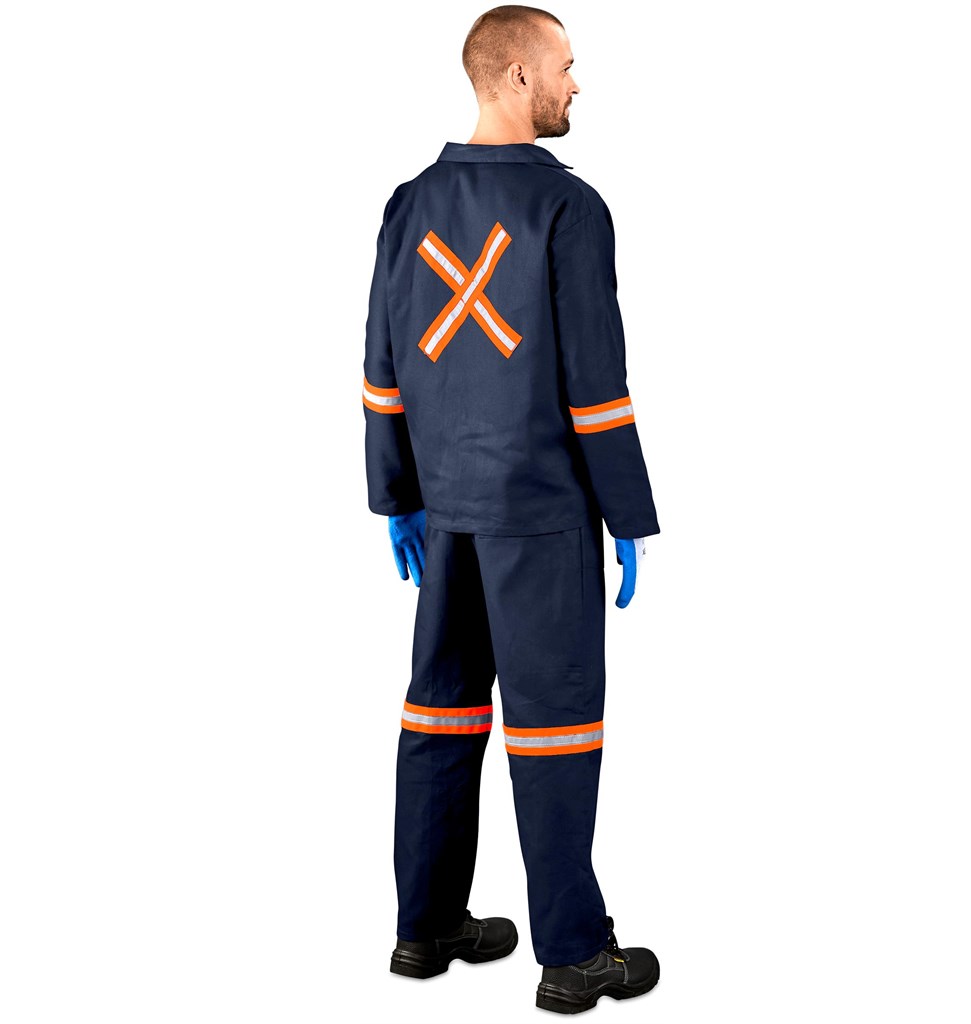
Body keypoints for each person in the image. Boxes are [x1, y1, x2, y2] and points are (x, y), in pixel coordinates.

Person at [361, 5, 661, 1014]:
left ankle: (425, 926)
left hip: (446, 514)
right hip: (540, 515)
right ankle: (574, 955)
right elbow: (595, 387)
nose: (578, 83)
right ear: (519, 76)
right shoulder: (569, 209)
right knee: (554, 729)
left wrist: (395, 496)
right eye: (566, 65)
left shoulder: (409, 203)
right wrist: (628, 512)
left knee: (438, 716)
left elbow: (382, 366)